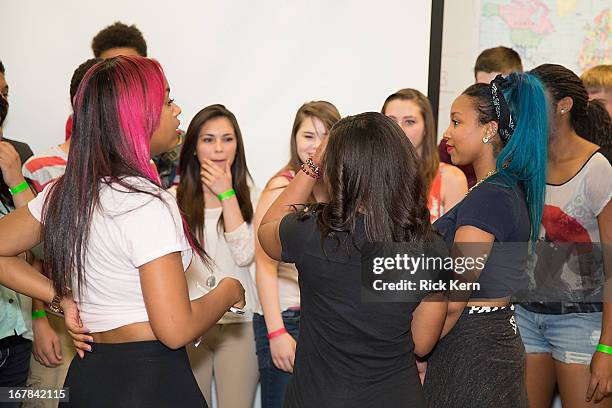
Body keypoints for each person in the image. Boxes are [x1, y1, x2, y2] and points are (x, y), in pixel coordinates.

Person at [1, 56, 245, 407]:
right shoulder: (148, 203)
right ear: (137, 116)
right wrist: (228, 290)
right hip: (150, 382)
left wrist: (59, 297)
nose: (177, 110)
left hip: (90, 375)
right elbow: (174, 328)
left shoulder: (65, 191)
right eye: (166, 101)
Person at [258, 112, 448, 407]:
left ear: (337, 171)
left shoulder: (311, 232)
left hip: (318, 397)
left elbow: (267, 231)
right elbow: (422, 343)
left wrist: (311, 166)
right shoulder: (429, 248)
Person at [423, 72, 549, 408]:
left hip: (470, 351)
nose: (446, 134)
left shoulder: (490, 197)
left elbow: (453, 298)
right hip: (486, 342)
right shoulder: (501, 189)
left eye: (456, 121)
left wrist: (420, 353)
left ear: (489, 129)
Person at [515, 63, 612, 407]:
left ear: (563, 105)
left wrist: (607, 347)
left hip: (581, 321)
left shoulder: (597, 168)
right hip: (525, 315)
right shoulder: (525, 161)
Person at [253, 101, 339, 408]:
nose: (316, 145)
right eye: (308, 136)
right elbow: (264, 264)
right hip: (286, 319)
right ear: (295, 139)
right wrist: (276, 331)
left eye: (325, 136)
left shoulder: (337, 190)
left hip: (324, 320)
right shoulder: (283, 187)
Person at [173, 104, 259, 407]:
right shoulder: (172, 199)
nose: (219, 148)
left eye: (227, 139)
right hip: (188, 323)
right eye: (208, 139)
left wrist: (227, 195)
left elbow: (246, 254)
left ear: (238, 145)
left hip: (240, 326)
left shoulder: (253, 194)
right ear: (194, 146)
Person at [90, 21, 180, 188]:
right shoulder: (83, 143)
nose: (124, 76)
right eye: (112, 68)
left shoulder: (179, 143)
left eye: (132, 67)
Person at [438, 46, 524, 188]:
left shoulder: (529, 147)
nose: (491, 96)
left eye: (497, 89)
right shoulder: (449, 148)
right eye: (483, 88)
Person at [382, 88, 467, 222]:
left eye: (409, 121)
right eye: (391, 121)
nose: (398, 129)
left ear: (426, 127)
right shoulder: (371, 177)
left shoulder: (451, 179)